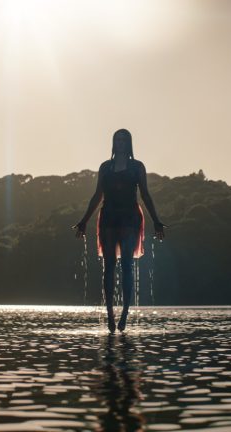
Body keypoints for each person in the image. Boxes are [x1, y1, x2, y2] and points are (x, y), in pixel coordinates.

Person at [73, 129, 166, 333]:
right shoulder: (105, 167)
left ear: (129, 143)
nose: (121, 143)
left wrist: (157, 221)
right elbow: (97, 195)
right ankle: (110, 315)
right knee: (109, 267)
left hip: (130, 218)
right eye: (118, 139)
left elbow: (146, 195)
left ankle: (124, 313)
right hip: (108, 218)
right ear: (113, 143)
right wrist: (84, 220)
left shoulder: (137, 167)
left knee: (126, 266)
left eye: (124, 140)